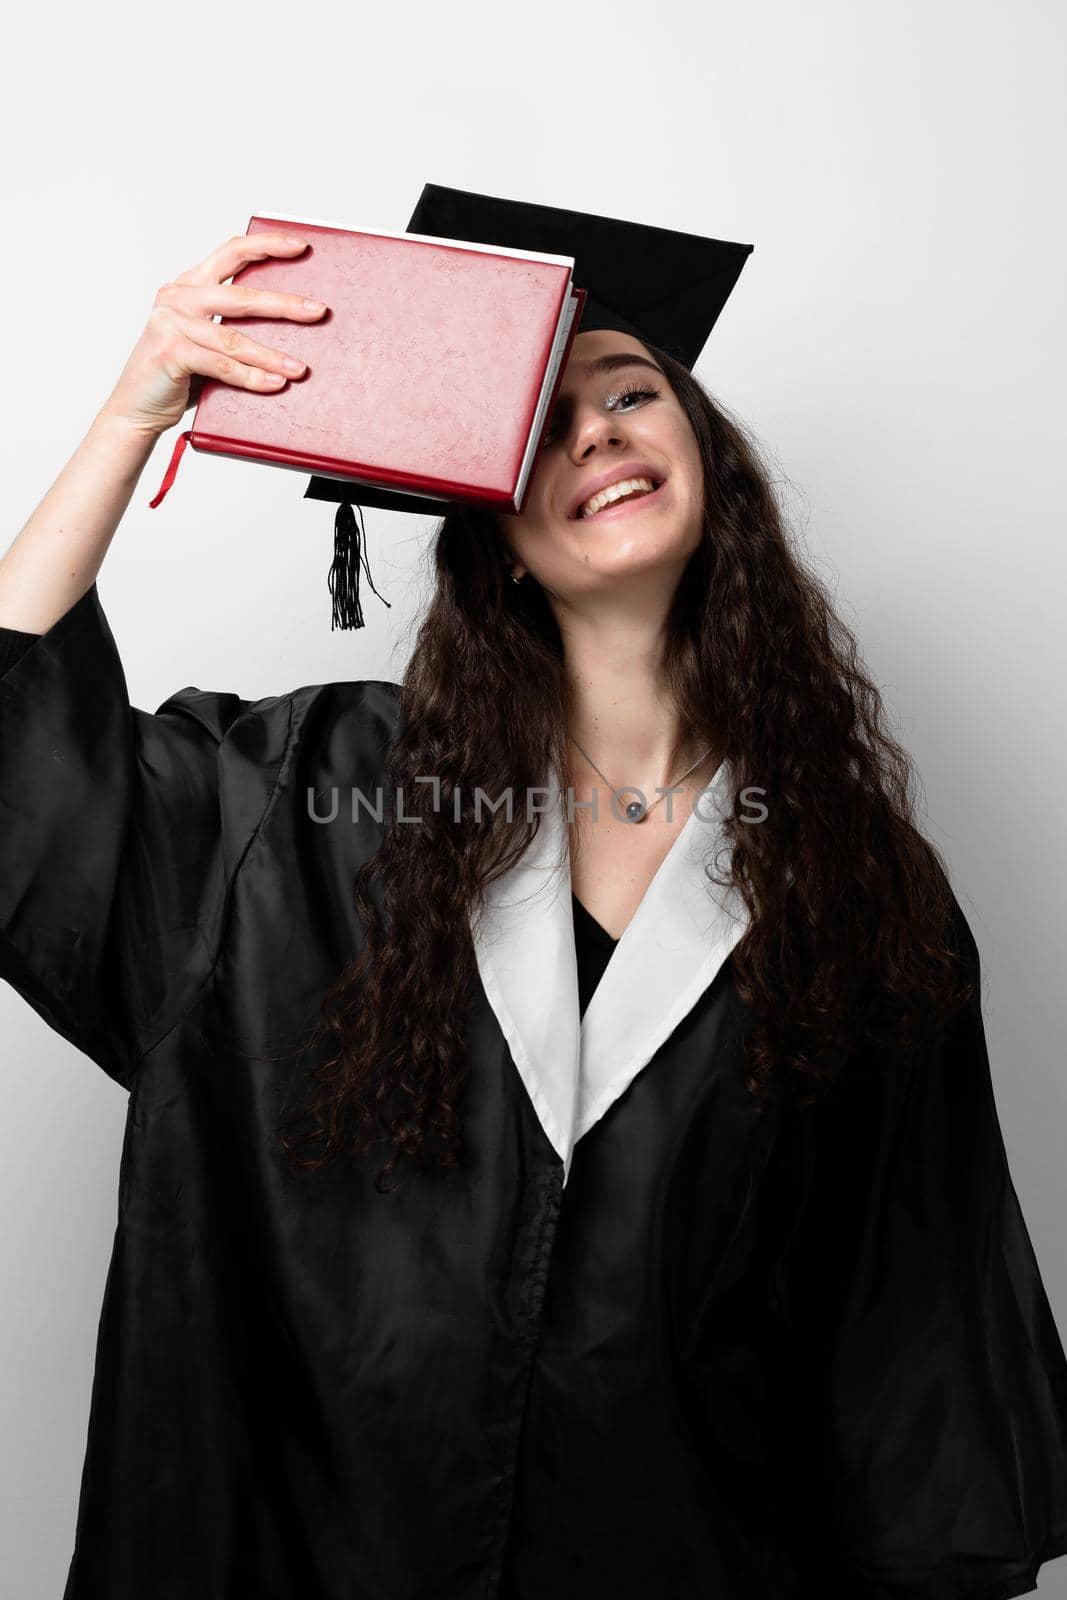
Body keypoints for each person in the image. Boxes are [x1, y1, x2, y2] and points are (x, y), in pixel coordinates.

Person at [2, 187, 1066, 1600]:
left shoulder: (853, 881)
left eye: (632, 392)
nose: (599, 430)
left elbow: (916, 1324)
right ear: (493, 532)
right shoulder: (311, 797)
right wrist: (137, 412)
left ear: (705, 460)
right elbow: (20, 776)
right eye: (543, 419)